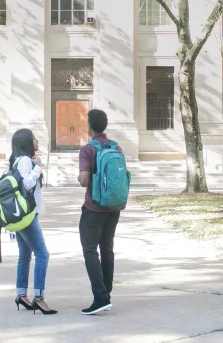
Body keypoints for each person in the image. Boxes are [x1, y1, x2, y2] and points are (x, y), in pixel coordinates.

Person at [77, 109, 125, 315]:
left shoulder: (88, 150)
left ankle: (100, 297)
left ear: (89, 126)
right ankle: (107, 293)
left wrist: (79, 177)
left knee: (89, 250)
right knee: (107, 249)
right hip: (114, 206)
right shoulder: (116, 147)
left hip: (94, 207)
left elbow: (84, 180)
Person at [9, 129, 57, 315]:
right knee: (42, 255)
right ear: (26, 142)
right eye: (34, 138)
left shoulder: (17, 160)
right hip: (27, 215)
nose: (37, 141)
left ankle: (21, 294)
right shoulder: (25, 161)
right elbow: (26, 185)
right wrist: (37, 168)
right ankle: (39, 297)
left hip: (22, 214)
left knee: (25, 255)